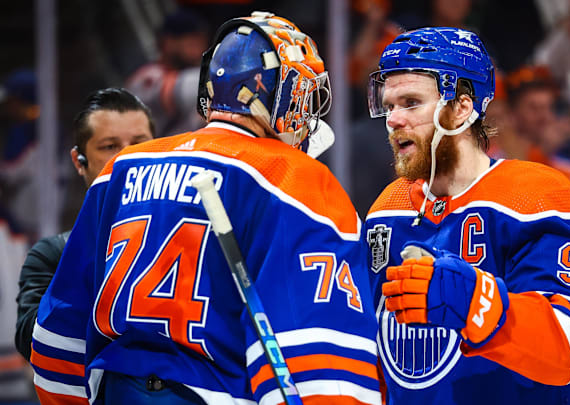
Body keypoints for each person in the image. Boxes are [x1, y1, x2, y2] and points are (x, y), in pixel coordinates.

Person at [30, 12, 380, 405]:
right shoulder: (296, 178)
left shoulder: (122, 167)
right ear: (283, 94)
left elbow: (61, 332)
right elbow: (320, 361)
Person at [364, 27, 570, 404]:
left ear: (461, 108)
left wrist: (476, 301)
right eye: (389, 105)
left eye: (410, 102)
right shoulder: (385, 211)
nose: (393, 119)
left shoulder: (533, 195)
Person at [15, 87, 156, 361]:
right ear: (79, 161)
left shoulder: (190, 237)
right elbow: (29, 340)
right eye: (110, 146)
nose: (128, 157)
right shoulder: (53, 255)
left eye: (140, 143)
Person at [125, 8, 209, 138]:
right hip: (159, 152)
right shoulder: (146, 77)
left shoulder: (192, 73)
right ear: (168, 43)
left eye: (201, 40)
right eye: (191, 42)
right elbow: (184, 90)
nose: (199, 48)